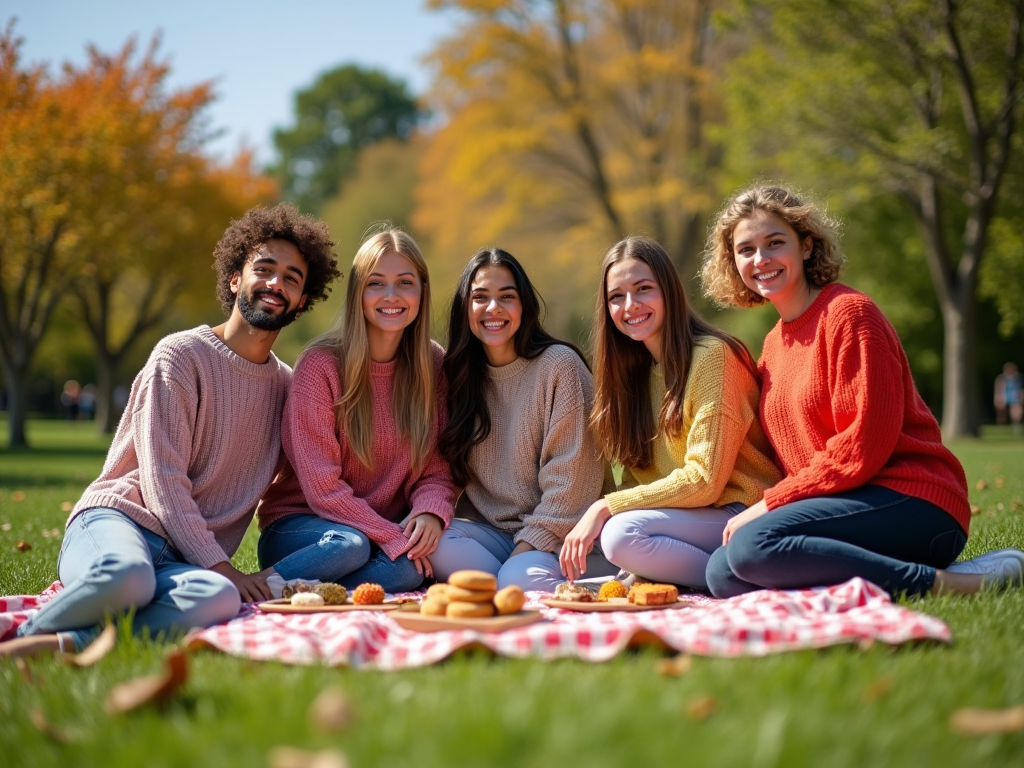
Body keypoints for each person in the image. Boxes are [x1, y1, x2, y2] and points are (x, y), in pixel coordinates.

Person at [0, 204, 340, 658]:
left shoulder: (289, 388)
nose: (276, 283)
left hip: (182, 561)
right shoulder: (180, 356)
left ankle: (61, 644)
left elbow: (315, 472)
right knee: (129, 577)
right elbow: (162, 481)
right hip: (119, 521)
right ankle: (18, 640)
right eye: (265, 269)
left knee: (218, 597)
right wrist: (222, 565)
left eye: (292, 279)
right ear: (236, 279)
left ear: (300, 304)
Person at [699, 184, 1024, 598]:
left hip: (914, 501)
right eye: (746, 250)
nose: (760, 260)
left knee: (751, 547)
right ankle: (886, 574)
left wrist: (773, 503)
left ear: (806, 246)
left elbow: (861, 448)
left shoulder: (849, 315)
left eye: (774, 243)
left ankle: (953, 583)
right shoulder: (773, 346)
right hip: (846, 504)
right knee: (723, 573)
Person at [558, 236, 781, 589]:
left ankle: (738, 577)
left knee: (618, 534)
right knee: (606, 546)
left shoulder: (712, 358)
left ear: (668, 292)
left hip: (738, 511)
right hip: (686, 519)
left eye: (643, 289)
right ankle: (688, 576)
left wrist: (604, 507)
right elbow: (637, 478)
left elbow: (705, 481)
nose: (630, 305)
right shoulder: (634, 374)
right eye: (616, 297)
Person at [256, 229, 454, 593]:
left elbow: (437, 468)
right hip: (303, 527)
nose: (391, 296)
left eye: (405, 283)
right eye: (376, 283)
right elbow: (322, 489)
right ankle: (258, 585)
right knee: (349, 545)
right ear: (358, 293)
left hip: (373, 531)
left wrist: (430, 510)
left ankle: (308, 591)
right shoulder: (321, 365)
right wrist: (390, 536)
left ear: (422, 292)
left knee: (408, 573)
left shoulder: (432, 363)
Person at [428, 248, 618, 591]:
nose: (493, 308)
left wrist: (524, 551)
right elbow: (444, 471)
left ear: (524, 305)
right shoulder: (459, 377)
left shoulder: (560, 367)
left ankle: (550, 579)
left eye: (507, 297)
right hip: (496, 536)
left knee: (517, 578)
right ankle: (514, 578)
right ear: (465, 309)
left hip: (564, 534)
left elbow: (570, 488)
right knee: (432, 545)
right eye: (480, 297)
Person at [994, 362, 1023, 434]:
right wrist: (998, 398)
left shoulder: (1018, 378)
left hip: (1015, 397)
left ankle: (1016, 426)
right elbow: (999, 389)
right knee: (1001, 411)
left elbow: (1021, 389)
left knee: (1017, 411)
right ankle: (1002, 425)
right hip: (1004, 396)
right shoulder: (1001, 378)